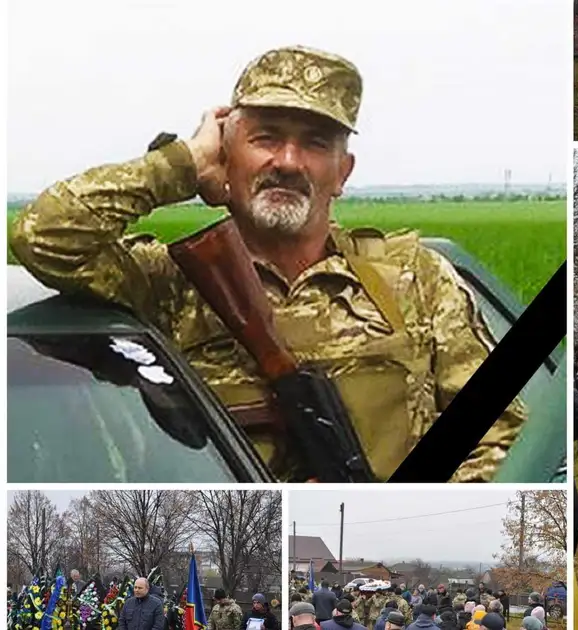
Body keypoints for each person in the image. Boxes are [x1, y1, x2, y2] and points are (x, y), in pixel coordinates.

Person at [8, 45, 526, 482]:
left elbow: (500, 431)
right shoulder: (166, 284)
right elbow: (45, 236)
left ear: (342, 172)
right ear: (226, 154)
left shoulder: (416, 278)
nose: (288, 161)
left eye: (315, 144)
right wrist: (181, 165)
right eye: (265, 137)